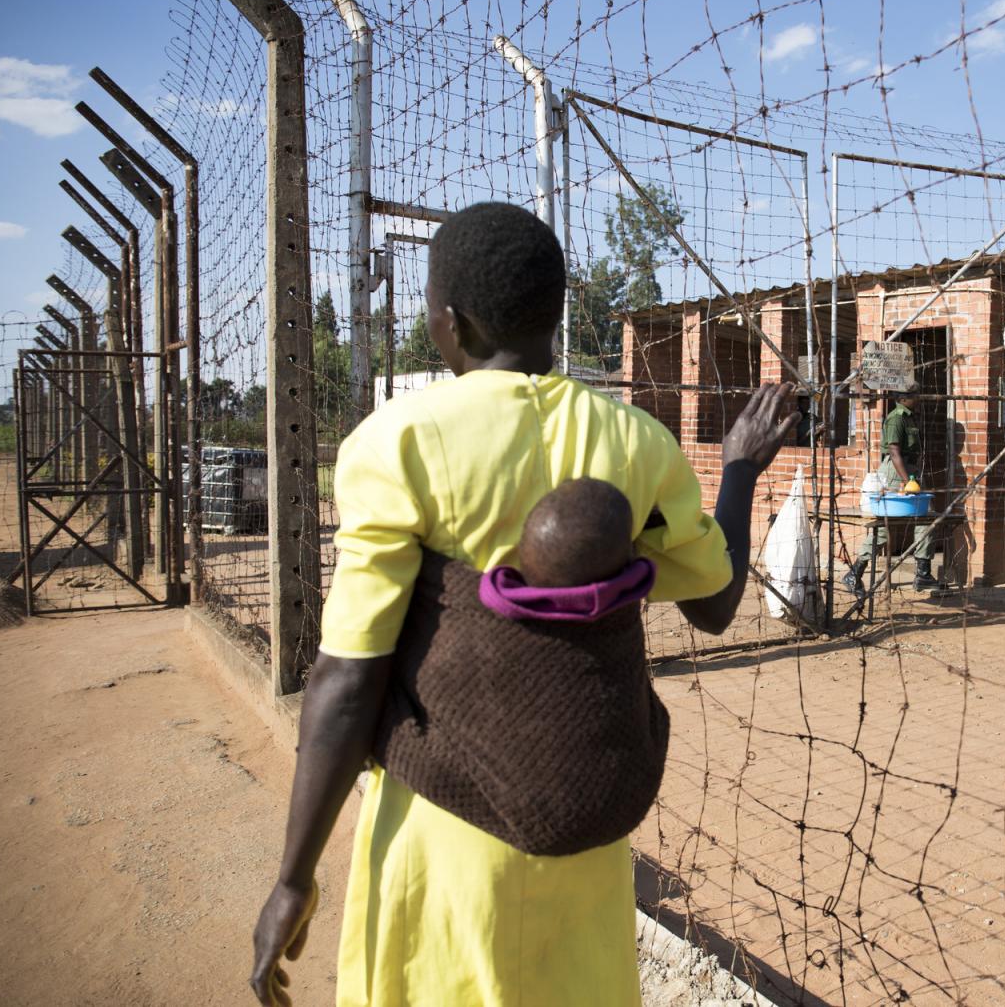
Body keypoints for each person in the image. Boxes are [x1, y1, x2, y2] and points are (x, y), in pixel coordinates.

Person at [247, 202, 796, 1007]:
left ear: (450, 324)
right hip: (585, 836)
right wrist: (742, 473)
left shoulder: (397, 442)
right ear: (555, 313)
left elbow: (345, 679)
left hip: (440, 831)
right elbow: (714, 607)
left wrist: (292, 878)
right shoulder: (637, 442)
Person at [843, 389, 938, 594]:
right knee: (885, 527)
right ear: (902, 399)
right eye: (915, 395)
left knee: (925, 517)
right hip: (898, 474)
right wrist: (907, 482)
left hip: (909, 471)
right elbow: (894, 452)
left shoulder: (911, 418)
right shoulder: (896, 419)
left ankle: (923, 573)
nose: (919, 398)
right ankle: (855, 572)